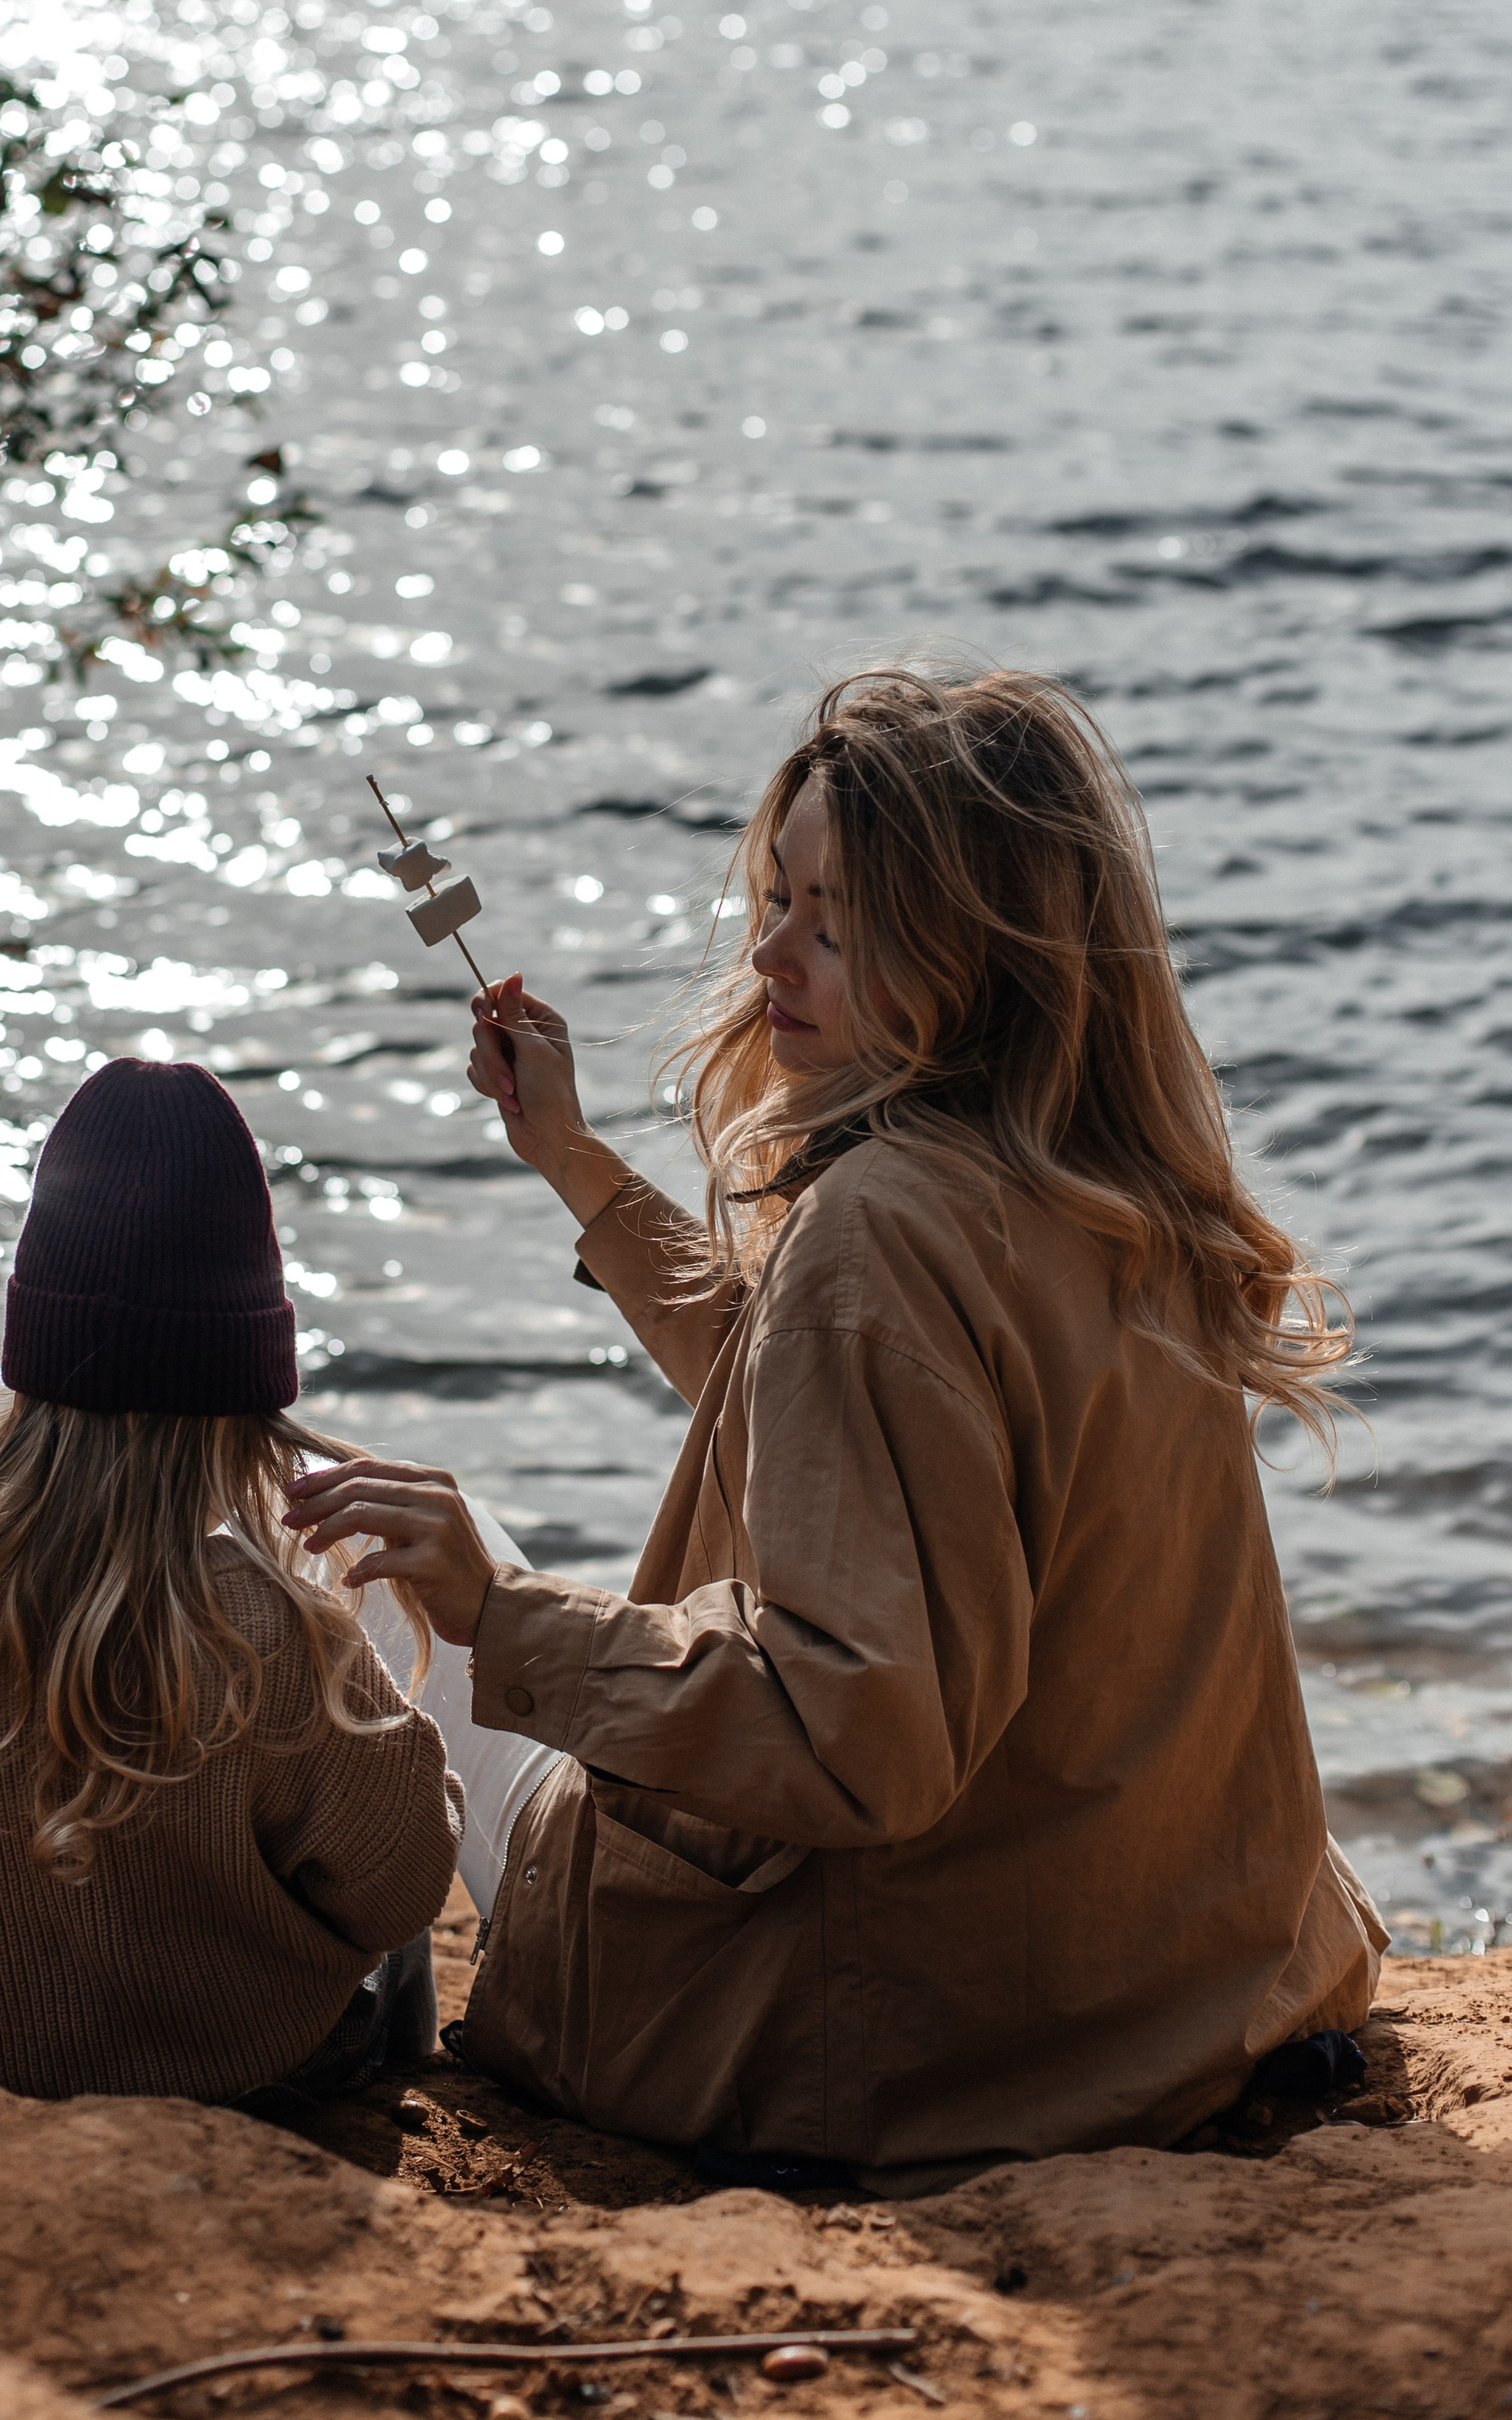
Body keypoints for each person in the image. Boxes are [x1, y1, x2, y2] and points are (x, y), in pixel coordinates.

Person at [286, 667, 1384, 2187]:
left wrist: (502, 1616)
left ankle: (310, 1987)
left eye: (833, 920)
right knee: (431, 1552)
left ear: (972, 945)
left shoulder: (878, 1233)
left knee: (314, 1512)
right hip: (1175, 1977)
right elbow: (821, 1400)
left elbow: (855, 1733)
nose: (770, 949)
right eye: (777, 892)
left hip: (911, 2034)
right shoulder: (1106, 1179)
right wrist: (576, 1160)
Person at [0, 1057, 473, 2110]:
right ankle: (411, 2081)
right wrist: (427, 1764)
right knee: (393, 1912)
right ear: (246, 1407)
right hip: (241, 2071)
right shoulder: (274, 1632)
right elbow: (401, 1879)